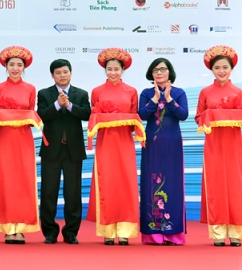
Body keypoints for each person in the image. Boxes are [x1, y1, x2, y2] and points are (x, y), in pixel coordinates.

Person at [0, 46, 40, 244]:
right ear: (6, 66)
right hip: (5, 139)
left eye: (19, 65)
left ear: (24, 67)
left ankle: (22, 227)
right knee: (6, 180)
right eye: (12, 65)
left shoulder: (30, 89)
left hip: (24, 139)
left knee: (24, 181)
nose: (15, 68)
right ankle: (8, 227)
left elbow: (31, 113)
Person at [86, 48, 140, 245]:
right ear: (105, 70)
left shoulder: (131, 91)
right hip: (105, 142)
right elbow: (94, 116)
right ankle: (107, 230)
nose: (113, 72)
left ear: (122, 70)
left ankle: (125, 231)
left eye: (117, 69)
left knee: (125, 183)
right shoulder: (97, 91)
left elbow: (134, 116)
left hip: (124, 142)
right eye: (109, 69)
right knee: (106, 181)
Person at [37, 58, 91, 245]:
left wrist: (69, 106)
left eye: (65, 72)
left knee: (73, 193)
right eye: (58, 73)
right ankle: (50, 232)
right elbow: (41, 116)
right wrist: (57, 104)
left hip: (73, 151)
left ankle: (71, 232)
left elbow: (87, 114)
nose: (62, 75)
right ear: (52, 75)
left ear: (71, 73)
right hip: (51, 151)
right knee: (48, 192)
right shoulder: (44, 94)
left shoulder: (81, 94)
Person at [195, 45, 242, 247]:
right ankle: (218, 233)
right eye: (217, 68)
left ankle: (236, 232)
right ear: (211, 70)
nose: (221, 71)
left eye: (225, 67)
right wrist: (210, 115)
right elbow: (199, 117)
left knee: (235, 185)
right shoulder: (205, 92)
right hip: (213, 144)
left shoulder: (238, 92)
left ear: (231, 69)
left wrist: (220, 114)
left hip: (234, 145)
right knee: (215, 185)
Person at [138, 58, 188, 245]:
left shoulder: (179, 93)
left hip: (172, 145)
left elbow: (183, 115)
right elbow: (142, 115)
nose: (159, 73)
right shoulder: (146, 93)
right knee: (151, 183)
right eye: (155, 70)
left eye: (163, 69)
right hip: (151, 144)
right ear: (151, 74)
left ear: (170, 72)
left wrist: (169, 100)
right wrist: (154, 100)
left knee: (173, 183)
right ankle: (154, 234)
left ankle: (172, 234)